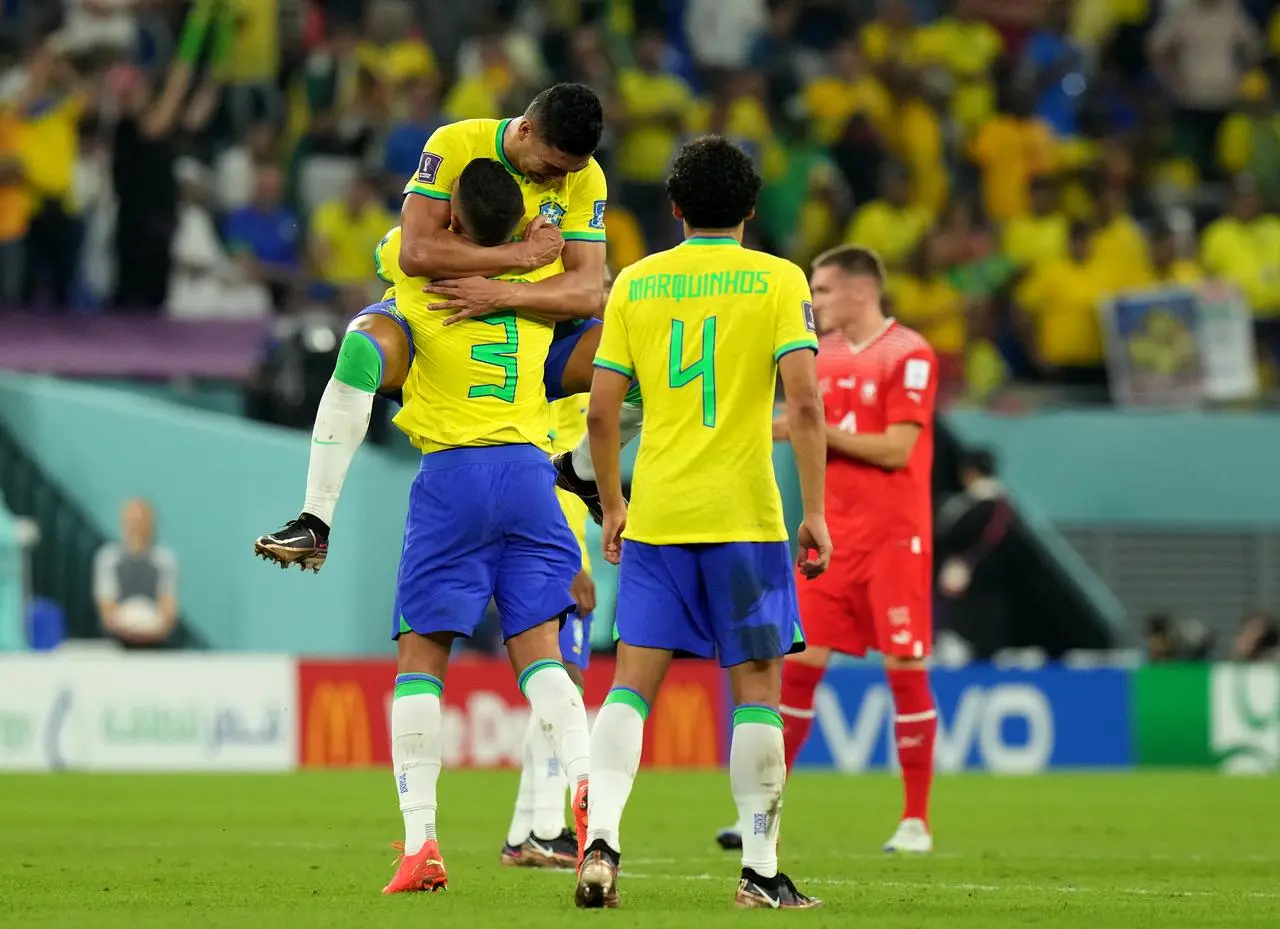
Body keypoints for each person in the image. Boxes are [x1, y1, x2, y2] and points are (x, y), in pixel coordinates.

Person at [577, 135, 830, 910]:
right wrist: (814, 511)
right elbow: (808, 404)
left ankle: (600, 844)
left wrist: (614, 504)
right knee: (756, 691)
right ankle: (759, 871)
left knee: (630, 689)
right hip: (744, 518)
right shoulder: (779, 280)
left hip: (658, 516)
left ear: (676, 207)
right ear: (752, 208)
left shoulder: (638, 284)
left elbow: (600, 409)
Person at [253, 83, 642, 570]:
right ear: (525, 130)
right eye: (552, 167)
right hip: (432, 329)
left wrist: (501, 291)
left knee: (640, 358)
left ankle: (581, 471)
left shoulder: (585, 179)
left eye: (571, 172)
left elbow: (588, 293)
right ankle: (315, 520)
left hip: (531, 335)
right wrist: (521, 257)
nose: (559, 181)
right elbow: (415, 251)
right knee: (359, 350)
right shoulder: (455, 144)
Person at [365, 157, 592, 894]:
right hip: (531, 474)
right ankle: (590, 800)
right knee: (543, 657)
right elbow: (583, 282)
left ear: (451, 219)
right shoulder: (541, 285)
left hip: (454, 474)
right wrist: (536, 240)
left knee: (422, 658)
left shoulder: (419, 276)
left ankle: (421, 842)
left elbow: (405, 247)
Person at [718, 244, 939, 855]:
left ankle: (915, 821)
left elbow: (897, 449)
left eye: (826, 290)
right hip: (832, 541)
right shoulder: (823, 356)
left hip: (896, 540)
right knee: (798, 674)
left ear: (862, 291)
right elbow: (791, 421)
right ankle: (761, 815)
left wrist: (822, 431)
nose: (815, 302)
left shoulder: (908, 352)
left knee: (905, 670)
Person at [92, 498, 179, 649]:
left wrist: (154, 629)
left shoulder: (165, 559)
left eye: (142, 519)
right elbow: (106, 605)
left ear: (152, 523)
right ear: (123, 522)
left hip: (155, 641)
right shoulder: (108, 558)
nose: (137, 525)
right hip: (118, 639)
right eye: (132, 519)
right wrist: (126, 627)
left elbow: (168, 604)